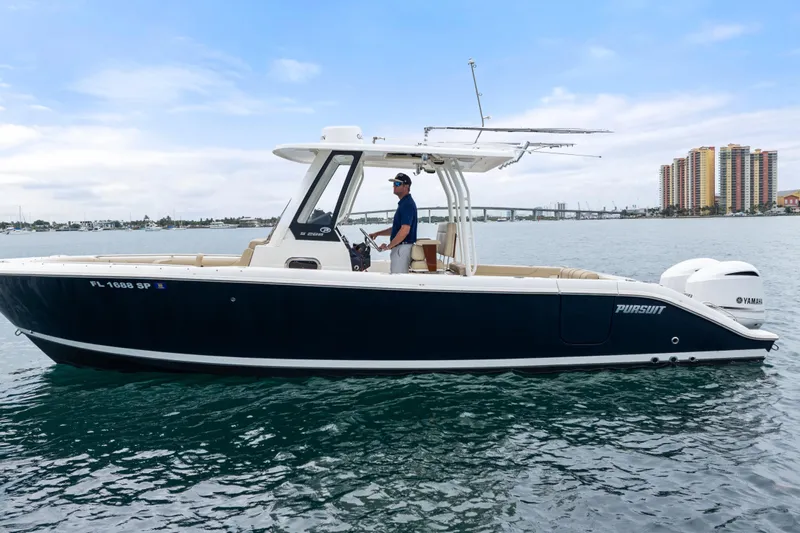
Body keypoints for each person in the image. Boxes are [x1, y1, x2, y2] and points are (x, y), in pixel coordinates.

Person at [369, 172, 418, 273]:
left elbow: (404, 230)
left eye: (397, 184)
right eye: (394, 184)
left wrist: (388, 246)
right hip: (400, 248)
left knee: (398, 279)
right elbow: (396, 229)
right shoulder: (403, 204)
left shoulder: (407, 204)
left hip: (402, 248)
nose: (394, 186)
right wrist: (377, 234)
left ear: (406, 187)